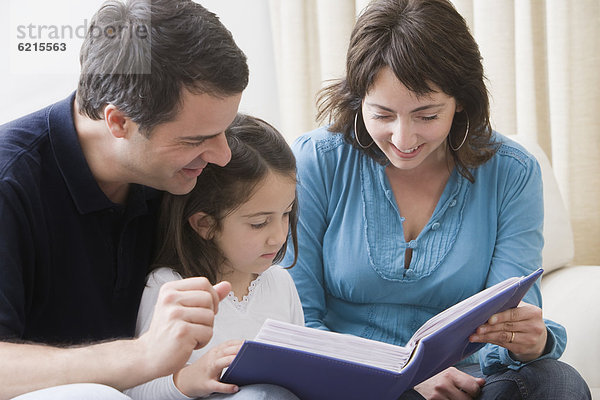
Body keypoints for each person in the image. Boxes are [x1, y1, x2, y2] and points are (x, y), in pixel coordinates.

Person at [282, 0, 592, 399]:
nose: (403, 139)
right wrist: (403, 372)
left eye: (426, 116)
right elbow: (296, 319)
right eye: (381, 114)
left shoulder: (512, 172)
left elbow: (509, 320)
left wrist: (533, 342)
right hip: (352, 378)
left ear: (461, 100)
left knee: (558, 381)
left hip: (468, 382)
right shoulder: (316, 161)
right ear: (359, 98)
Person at [0, 0, 289, 399]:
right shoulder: (10, 182)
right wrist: (141, 355)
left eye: (223, 130)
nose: (222, 155)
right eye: (195, 140)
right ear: (118, 121)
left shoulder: (185, 172)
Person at [124, 114, 303, 400]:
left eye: (286, 214)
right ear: (205, 225)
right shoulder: (169, 288)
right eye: (259, 223)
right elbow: (135, 390)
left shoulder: (281, 284)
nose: (279, 236)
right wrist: (188, 380)